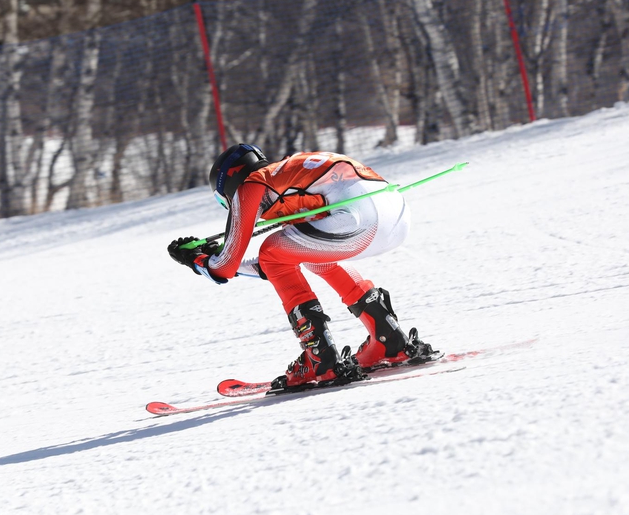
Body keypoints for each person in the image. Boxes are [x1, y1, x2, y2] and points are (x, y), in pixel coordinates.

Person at [167, 144, 437, 389]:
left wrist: (195, 259)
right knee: (305, 254)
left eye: (224, 202)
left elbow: (224, 268)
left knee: (273, 250)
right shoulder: (286, 178)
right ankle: (389, 338)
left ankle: (320, 359)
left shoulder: (251, 183)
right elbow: (275, 266)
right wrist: (219, 260)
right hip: (395, 216)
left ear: (228, 185)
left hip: (361, 220)